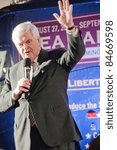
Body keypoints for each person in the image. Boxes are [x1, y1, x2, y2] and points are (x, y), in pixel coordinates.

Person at [0, 0, 85, 150]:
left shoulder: (57, 58)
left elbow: (76, 52)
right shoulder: (13, 71)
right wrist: (15, 93)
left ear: (38, 40)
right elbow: (1, 103)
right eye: (20, 44)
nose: (24, 47)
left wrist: (70, 28)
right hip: (27, 139)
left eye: (28, 41)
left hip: (57, 135)